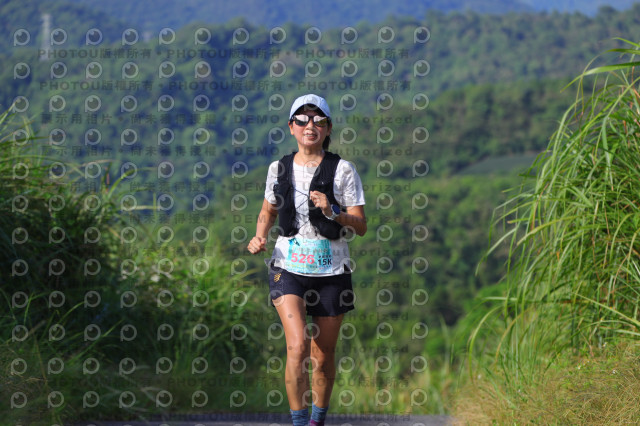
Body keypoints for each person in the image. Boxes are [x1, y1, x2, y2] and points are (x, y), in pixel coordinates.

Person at [247, 94, 367, 426]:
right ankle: (299, 423)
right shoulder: (278, 168)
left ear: (328, 128)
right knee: (298, 345)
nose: (309, 125)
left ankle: (317, 420)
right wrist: (259, 236)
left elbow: (361, 226)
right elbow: (268, 210)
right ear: (291, 127)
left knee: (322, 355)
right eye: (301, 119)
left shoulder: (343, 170)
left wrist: (333, 211)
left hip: (332, 271)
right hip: (287, 268)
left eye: (318, 120)